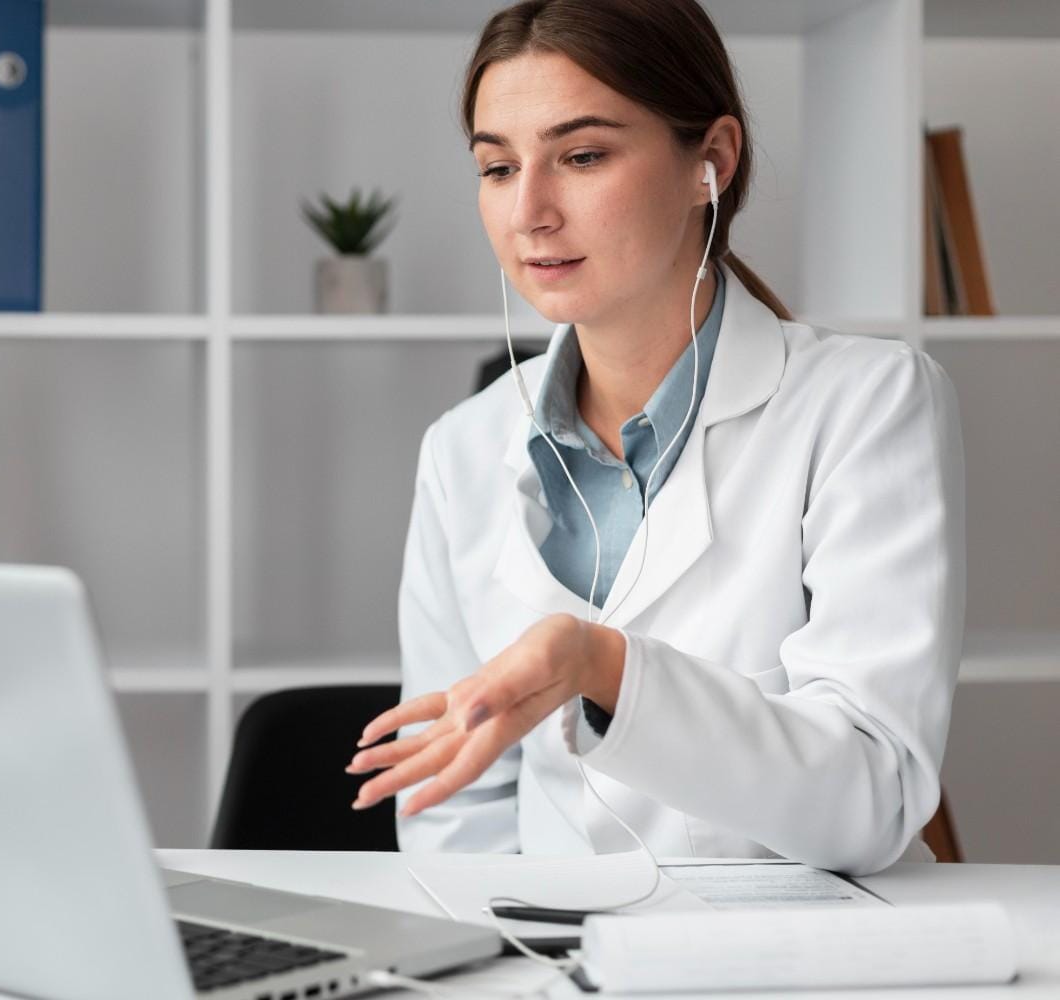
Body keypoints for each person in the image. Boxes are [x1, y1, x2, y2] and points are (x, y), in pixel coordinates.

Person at [343, 0, 965, 877]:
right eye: (496, 167)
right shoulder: (463, 450)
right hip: (555, 957)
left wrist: (605, 669)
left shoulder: (868, 404)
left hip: (800, 958)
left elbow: (871, 798)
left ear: (709, 161)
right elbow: (456, 810)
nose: (529, 213)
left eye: (583, 156)